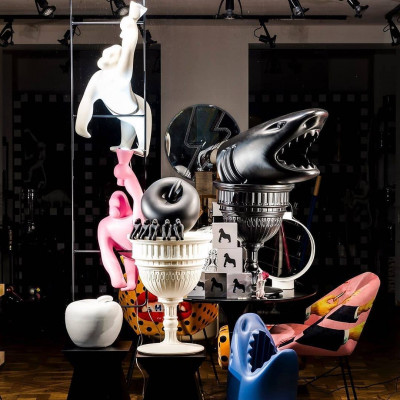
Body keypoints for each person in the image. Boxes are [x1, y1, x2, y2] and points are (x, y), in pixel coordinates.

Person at [75, 1, 152, 155]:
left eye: (111, 56)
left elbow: (129, 48)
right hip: (121, 114)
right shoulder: (97, 78)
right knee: (124, 144)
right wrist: (81, 125)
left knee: (141, 134)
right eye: (106, 55)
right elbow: (87, 100)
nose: (106, 58)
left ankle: (142, 147)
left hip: (138, 111)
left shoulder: (121, 75)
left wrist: (131, 23)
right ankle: (125, 147)